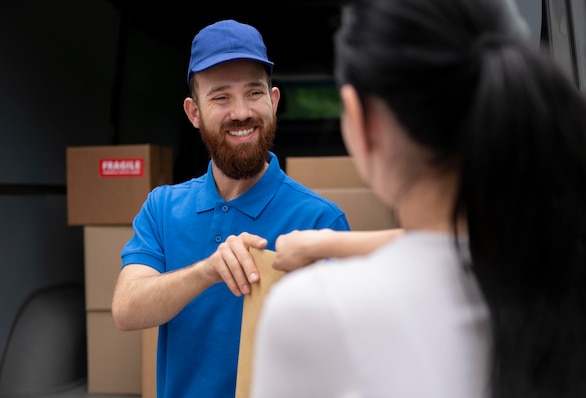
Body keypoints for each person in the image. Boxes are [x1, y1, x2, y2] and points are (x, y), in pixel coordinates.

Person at [251, 0, 586, 397]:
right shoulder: (559, 268)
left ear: (362, 122)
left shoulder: (313, 312)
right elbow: (458, 244)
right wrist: (324, 242)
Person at [110, 19, 353, 398]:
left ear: (273, 101)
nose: (241, 112)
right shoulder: (162, 207)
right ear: (193, 113)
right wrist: (208, 270)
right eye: (221, 97)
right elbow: (127, 310)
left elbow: (345, 357)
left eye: (253, 93)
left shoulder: (321, 221)